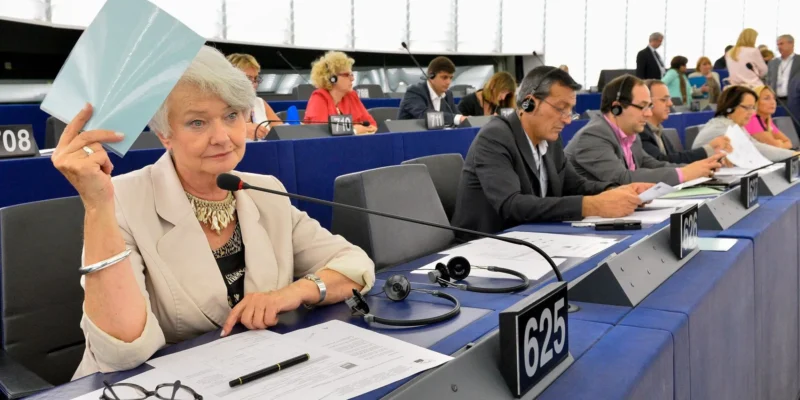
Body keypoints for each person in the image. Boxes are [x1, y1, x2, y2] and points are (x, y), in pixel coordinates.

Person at [52, 46, 376, 378]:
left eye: (232, 116)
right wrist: (97, 206)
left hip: (256, 373)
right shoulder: (121, 199)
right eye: (197, 122)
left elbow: (354, 265)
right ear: (165, 135)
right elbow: (123, 353)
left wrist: (292, 293)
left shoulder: (265, 190)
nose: (221, 137)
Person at [451, 66, 654, 234]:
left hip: (531, 239)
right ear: (529, 103)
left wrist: (617, 191)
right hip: (483, 247)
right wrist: (592, 205)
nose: (567, 120)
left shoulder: (551, 141)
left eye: (570, 111)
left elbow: (576, 186)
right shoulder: (495, 137)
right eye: (561, 108)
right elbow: (512, 205)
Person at [564, 74, 724, 186]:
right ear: (617, 108)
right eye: (642, 107)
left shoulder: (631, 134)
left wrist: (698, 168)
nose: (648, 114)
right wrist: (685, 173)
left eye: (650, 106)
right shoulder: (593, 135)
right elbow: (623, 178)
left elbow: (652, 165)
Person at [693, 85, 796, 161]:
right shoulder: (723, 127)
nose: (751, 113)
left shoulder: (735, 125)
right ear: (730, 107)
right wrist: (795, 155)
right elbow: (756, 149)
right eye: (747, 107)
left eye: (753, 108)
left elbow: (754, 145)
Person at [640, 79, 732, 163]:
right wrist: (709, 149)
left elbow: (676, 159)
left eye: (669, 99)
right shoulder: (641, 133)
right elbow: (661, 162)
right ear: (647, 102)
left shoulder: (658, 131)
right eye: (664, 100)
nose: (670, 103)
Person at [304, 51, 377, 134]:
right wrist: (354, 130)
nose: (352, 79)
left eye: (352, 74)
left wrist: (355, 131)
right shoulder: (319, 97)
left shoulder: (352, 96)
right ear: (332, 78)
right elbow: (322, 132)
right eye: (347, 75)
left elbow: (372, 125)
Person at [226, 53, 283, 140]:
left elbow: (281, 131)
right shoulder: (219, 104)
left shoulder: (259, 102)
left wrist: (296, 128)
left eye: (256, 78)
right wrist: (242, 131)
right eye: (248, 78)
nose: (254, 84)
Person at [397, 56, 463, 125]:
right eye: (444, 77)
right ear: (431, 76)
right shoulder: (414, 92)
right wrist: (457, 118)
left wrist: (464, 119)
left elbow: (457, 115)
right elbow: (425, 115)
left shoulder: (448, 94)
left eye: (451, 78)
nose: (448, 82)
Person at [768, 34, 800, 103]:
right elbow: (769, 80)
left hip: (795, 101)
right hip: (776, 101)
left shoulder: (798, 61)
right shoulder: (773, 62)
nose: (779, 47)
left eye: (781, 44)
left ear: (791, 44)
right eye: (778, 45)